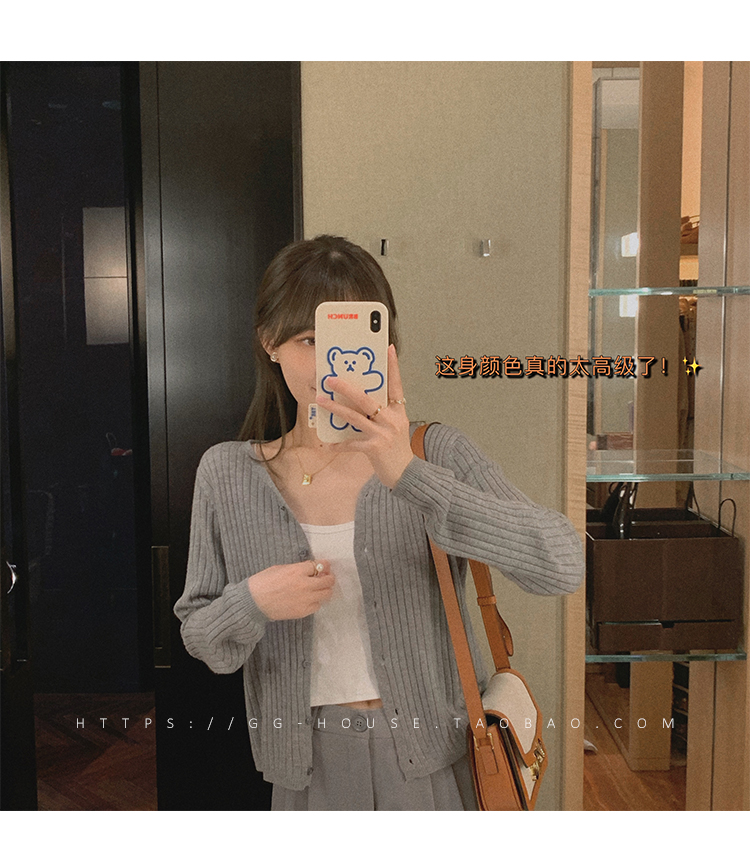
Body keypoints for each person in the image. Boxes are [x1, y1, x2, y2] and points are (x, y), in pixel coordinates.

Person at [173, 234, 584, 810]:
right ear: (269, 342)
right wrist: (253, 601)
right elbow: (203, 639)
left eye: (350, 341)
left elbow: (562, 564)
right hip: (305, 770)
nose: (334, 365)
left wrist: (409, 474)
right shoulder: (227, 474)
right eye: (309, 340)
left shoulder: (435, 454)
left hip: (432, 761)